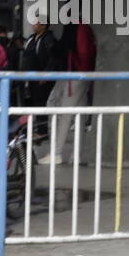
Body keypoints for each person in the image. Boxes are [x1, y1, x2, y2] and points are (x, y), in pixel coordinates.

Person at [44, 21, 97, 164]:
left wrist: (51, 45)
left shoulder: (71, 25)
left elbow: (63, 48)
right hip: (86, 75)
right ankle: (77, 156)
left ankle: (56, 153)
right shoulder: (86, 26)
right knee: (79, 116)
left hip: (74, 75)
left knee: (64, 114)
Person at [20, 21, 57, 107]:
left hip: (42, 77)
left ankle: (41, 120)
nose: (33, 25)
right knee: (30, 101)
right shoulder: (31, 38)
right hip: (30, 76)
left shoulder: (49, 39)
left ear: (43, 25)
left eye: (36, 23)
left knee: (41, 101)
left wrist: (46, 74)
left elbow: (53, 58)